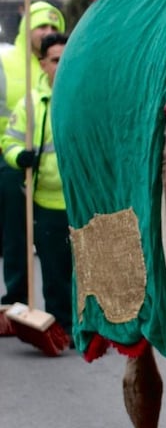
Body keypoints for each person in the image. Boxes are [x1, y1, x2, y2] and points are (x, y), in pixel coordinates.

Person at [1, 32, 72, 335]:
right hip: (46, 201)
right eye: (55, 60)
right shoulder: (31, 104)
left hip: (82, 201)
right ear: (43, 64)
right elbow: (9, 141)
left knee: (88, 271)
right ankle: (62, 328)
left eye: (66, 58)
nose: (61, 65)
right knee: (55, 272)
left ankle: (90, 326)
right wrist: (20, 158)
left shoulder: (85, 97)